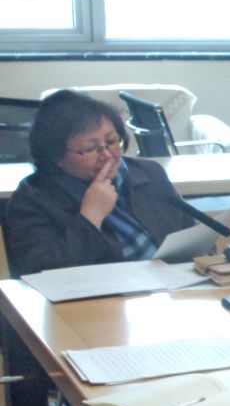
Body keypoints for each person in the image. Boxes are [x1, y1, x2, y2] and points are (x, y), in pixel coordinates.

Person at [2, 89, 196, 276]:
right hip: (101, 296)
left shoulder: (147, 173)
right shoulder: (32, 201)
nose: (107, 155)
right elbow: (43, 272)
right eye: (90, 149)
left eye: (112, 142)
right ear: (56, 156)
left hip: (171, 287)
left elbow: (189, 236)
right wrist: (91, 216)